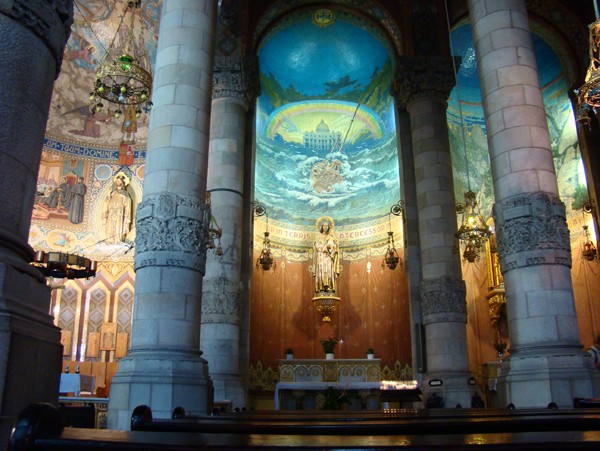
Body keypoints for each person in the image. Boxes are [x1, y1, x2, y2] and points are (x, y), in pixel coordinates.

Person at [312, 216, 340, 294]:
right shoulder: (318, 236)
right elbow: (316, 246)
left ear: (329, 227)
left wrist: (332, 247)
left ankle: (329, 286)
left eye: (327, 226)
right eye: (324, 225)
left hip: (328, 256)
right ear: (321, 227)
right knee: (321, 270)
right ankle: (320, 287)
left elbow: (333, 246)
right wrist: (324, 247)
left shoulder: (331, 236)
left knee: (329, 270)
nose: (325, 227)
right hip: (320, 256)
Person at [102, 172, 132, 243]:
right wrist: (108, 194)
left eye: (119, 181)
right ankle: (110, 240)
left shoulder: (125, 193)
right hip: (111, 213)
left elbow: (127, 202)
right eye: (117, 181)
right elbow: (107, 202)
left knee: (118, 226)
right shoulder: (113, 193)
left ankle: (118, 239)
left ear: (122, 183)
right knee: (110, 225)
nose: (118, 182)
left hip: (119, 213)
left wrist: (123, 196)